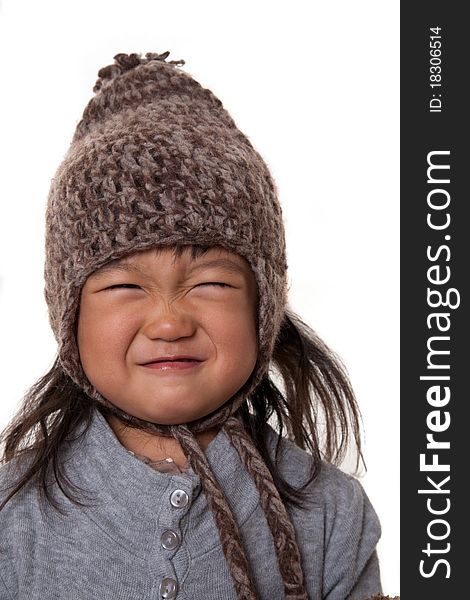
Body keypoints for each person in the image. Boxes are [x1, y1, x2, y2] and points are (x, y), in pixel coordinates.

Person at [0, 51, 382, 600]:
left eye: (210, 283)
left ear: (263, 306)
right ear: (69, 314)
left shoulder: (330, 516)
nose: (169, 321)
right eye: (125, 286)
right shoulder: (14, 515)